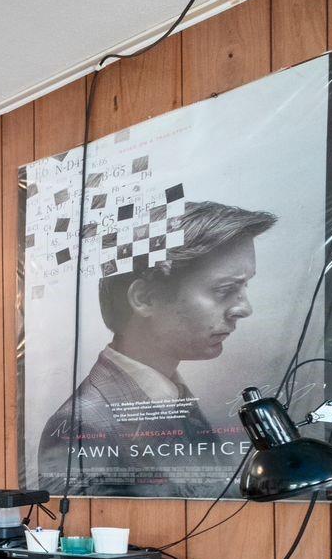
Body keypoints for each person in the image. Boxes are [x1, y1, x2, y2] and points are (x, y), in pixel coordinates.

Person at [36, 200, 277, 497]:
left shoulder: (174, 397)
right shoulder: (81, 424)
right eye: (224, 290)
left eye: (244, 287)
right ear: (145, 299)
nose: (244, 309)